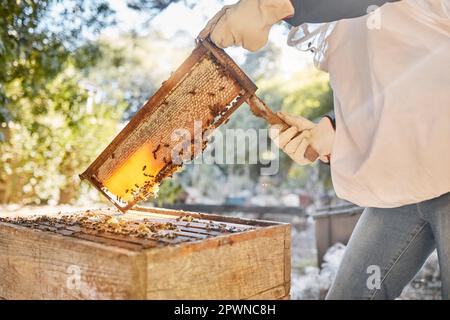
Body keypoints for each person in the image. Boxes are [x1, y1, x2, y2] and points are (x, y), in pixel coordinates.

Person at [199, 0, 450, 299]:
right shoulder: (333, 19)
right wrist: (333, 133)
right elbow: (384, 81)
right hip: (400, 182)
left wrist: (269, 6)